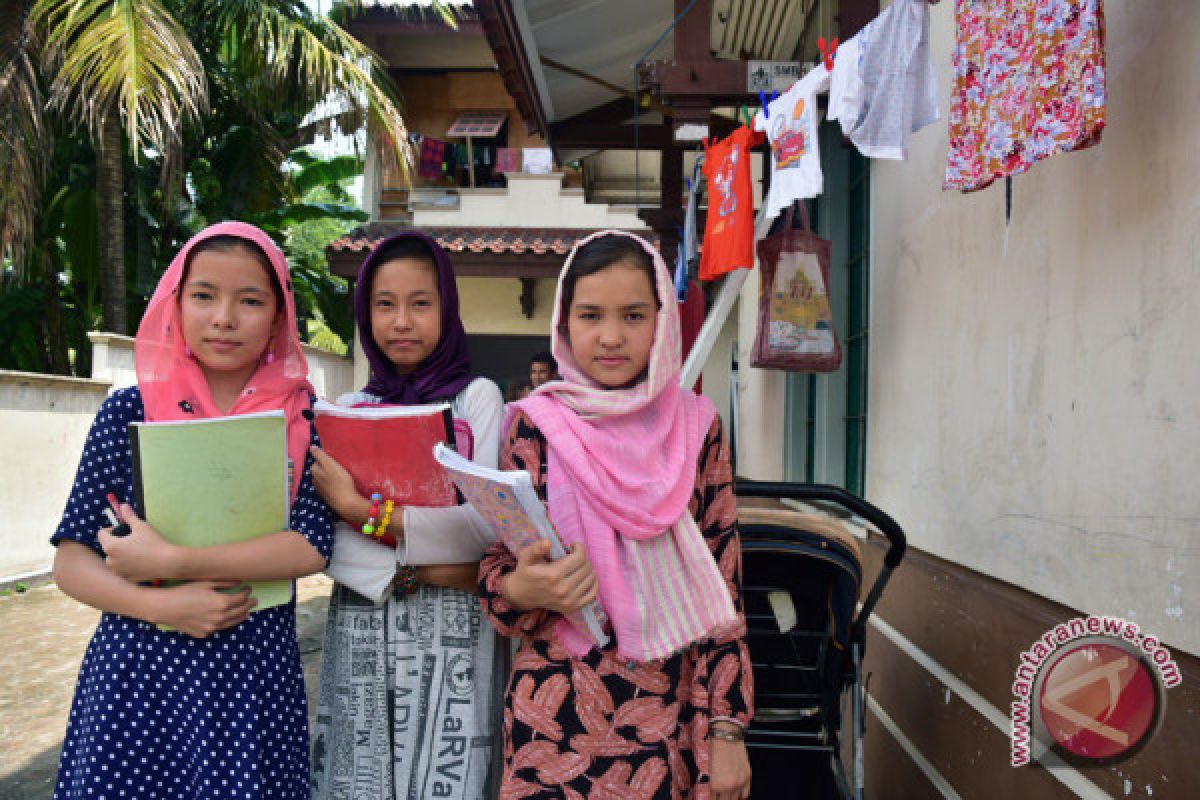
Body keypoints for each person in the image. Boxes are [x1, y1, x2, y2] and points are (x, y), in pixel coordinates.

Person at [50, 222, 334, 799]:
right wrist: (161, 603)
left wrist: (173, 559)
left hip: (252, 677)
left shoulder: (307, 421)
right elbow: (72, 559)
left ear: (279, 316)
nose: (224, 317)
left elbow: (310, 543)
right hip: (137, 674)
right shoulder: (131, 412)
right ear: (175, 303)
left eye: (250, 300)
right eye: (203, 295)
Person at [479, 230, 754, 799]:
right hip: (553, 712)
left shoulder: (697, 426)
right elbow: (497, 572)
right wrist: (525, 586)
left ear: (661, 320)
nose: (610, 336)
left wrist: (727, 730)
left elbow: (722, 587)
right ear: (564, 323)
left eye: (633, 315)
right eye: (590, 315)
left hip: (666, 711)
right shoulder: (533, 426)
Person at [309, 231, 507, 800]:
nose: (402, 321)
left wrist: (359, 510)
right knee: (360, 777)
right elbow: (329, 546)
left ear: (447, 307)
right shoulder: (349, 411)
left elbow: (482, 530)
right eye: (384, 304)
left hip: (458, 637)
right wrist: (415, 560)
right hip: (362, 628)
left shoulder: (476, 400)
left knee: (451, 779)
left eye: (421, 303)